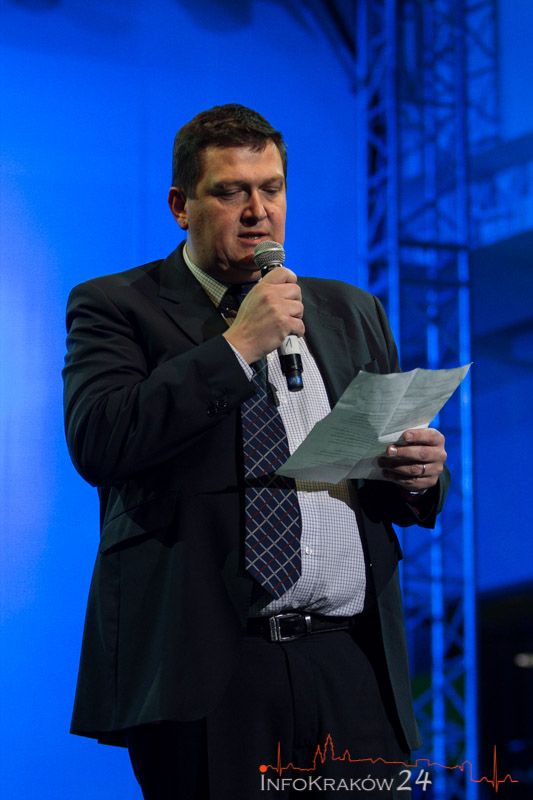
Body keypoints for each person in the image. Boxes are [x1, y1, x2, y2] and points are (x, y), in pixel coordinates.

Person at [63, 104, 449, 799]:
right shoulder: (118, 306)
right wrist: (237, 347)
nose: (257, 212)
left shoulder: (350, 310)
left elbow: (382, 476)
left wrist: (418, 476)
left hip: (352, 664)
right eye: (230, 192)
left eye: (271, 189)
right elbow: (101, 440)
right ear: (181, 206)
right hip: (212, 672)